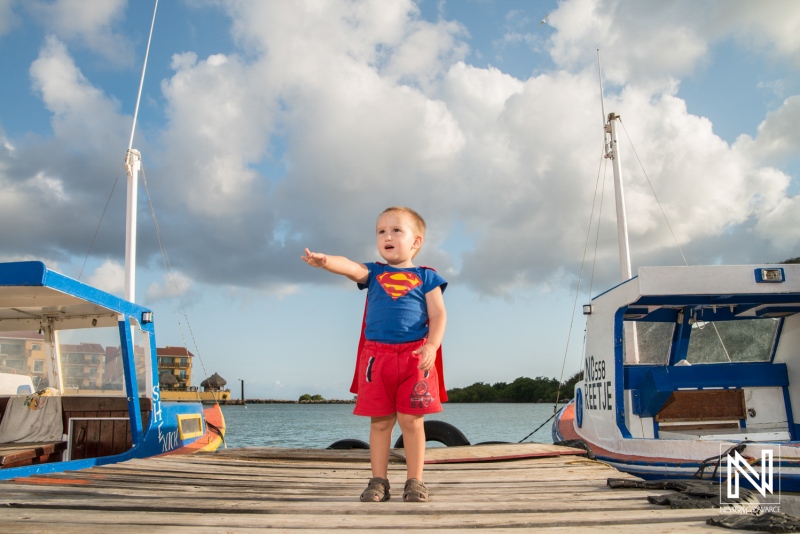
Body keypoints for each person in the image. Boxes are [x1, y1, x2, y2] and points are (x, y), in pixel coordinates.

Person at [301, 206, 447, 502]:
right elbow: (350, 266)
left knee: (412, 422)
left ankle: (415, 480)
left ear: (416, 242)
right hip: (375, 359)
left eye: (396, 230)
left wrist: (431, 345)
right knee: (380, 422)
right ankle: (378, 481)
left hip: (415, 358)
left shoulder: (427, 277)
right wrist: (326, 261)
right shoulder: (375, 272)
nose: (387, 236)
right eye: (381, 231)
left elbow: (439, 314)